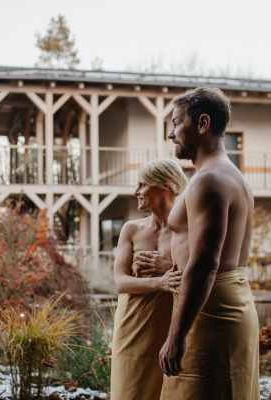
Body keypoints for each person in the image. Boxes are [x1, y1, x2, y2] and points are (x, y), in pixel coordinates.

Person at [159, 87, 260, 399]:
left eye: (176, 123)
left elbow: (205, 264)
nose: (170, 133)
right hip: (223, 304)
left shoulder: (209, 180)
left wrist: (176, 335)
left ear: (202, 124)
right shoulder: (229, 176)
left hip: (209, 313)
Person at [111, 159, 188, 400]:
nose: (136, 192)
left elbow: (203, 277)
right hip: (131, 326)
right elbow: (121, 282)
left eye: (142, 185)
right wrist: (159, 282)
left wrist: (172, 268)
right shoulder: (131, 229)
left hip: (169, 329)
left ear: (163, 188)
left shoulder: (187, 231)